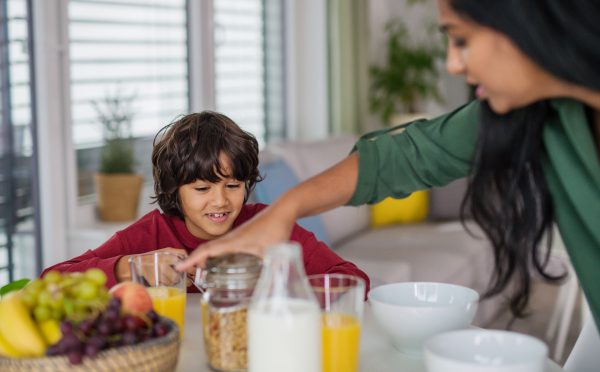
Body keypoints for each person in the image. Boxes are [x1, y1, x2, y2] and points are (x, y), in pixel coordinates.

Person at [178, 0, 600, 331]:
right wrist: (282, 211)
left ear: (529, 21)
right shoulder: (536, 113)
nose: (453, 63)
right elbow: (398, 156)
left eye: (462, 39)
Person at [42, 111, 369, 292]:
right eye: (202, 189)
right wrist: (130, 269)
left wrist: (281, 285)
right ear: (173, 190)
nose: (221, 201)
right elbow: (51, 279)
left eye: (233, 185)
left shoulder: (267, 226)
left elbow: (355, 282)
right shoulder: (150, 235)